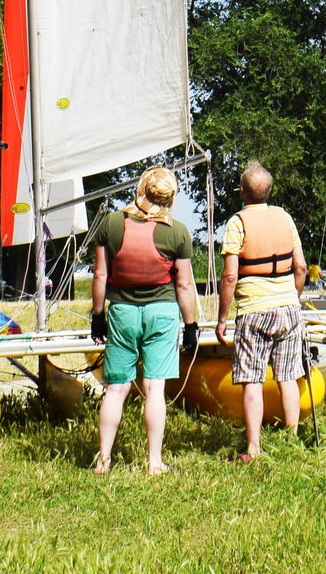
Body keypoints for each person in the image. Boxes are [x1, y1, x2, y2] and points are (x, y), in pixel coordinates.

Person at [88, 165, 200, 473]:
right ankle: (154, 461)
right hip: (162, 313)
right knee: (154, 387)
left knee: (116, 388)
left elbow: (101, 273)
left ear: (142, 189)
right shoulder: (177, 232)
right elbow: (184, 284)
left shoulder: (111, 223)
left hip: (122, 311)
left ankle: (104, 460)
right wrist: (190, 325)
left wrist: (98, 316)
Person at [216, 163, 309, 460]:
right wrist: (292, 296)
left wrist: (221, 319)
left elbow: (230, 276)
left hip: (254, 310)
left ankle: (253, 448)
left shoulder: (237, 223)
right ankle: (292, 438)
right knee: (288, 375)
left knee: (252, 380)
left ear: (242, 192)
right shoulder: (285, 218)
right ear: (269, 191)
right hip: (288, 308)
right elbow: (301, 267)